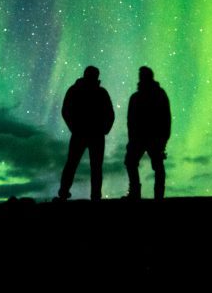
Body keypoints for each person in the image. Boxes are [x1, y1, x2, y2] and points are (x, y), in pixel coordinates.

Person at [56, 65, 115, 201]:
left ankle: (64, 193)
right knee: (93, 166)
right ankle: (94, 196)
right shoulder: (100, 92)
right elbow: (110, 114)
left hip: (83, 133)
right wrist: (104, 129)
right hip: (93, 134)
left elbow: (66, 110)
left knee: (74, 164)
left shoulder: (75, 90)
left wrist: (74, 127)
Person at [124, 66, 171, 200]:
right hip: (145, 138)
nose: (140, 77)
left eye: (142, 75)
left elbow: (165, 118)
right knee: (135, 163)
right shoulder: (156, 94)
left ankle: (140, 193)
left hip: (151, 137)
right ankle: (153, 195)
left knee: (153, 165)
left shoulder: (139, 96)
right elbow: (131, 121)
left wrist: (163, 139)